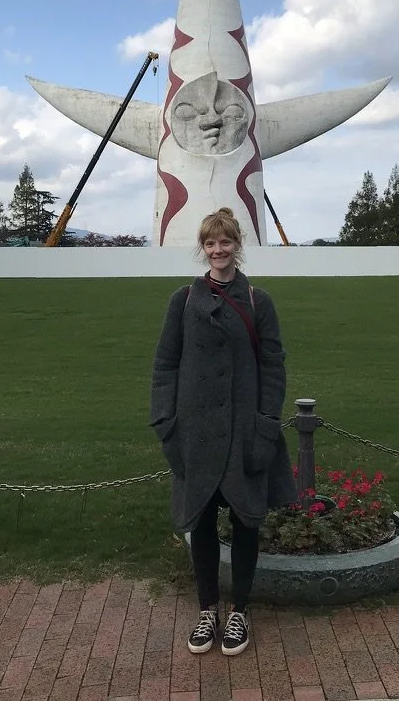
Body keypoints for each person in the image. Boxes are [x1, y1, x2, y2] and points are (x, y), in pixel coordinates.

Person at [150, 207, 297, 656]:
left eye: (226, 242)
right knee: (202, 521)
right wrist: (164, 421)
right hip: (195, 429)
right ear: (203, 248)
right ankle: (207, 608)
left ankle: (240, 611)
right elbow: (165, 364)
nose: (218, 250)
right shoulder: (183, 301)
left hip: (244, 427)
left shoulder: (258, 300)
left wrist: (267, 422)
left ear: (238, 246)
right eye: (211, 244)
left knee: (245, 518)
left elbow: (273, 366)